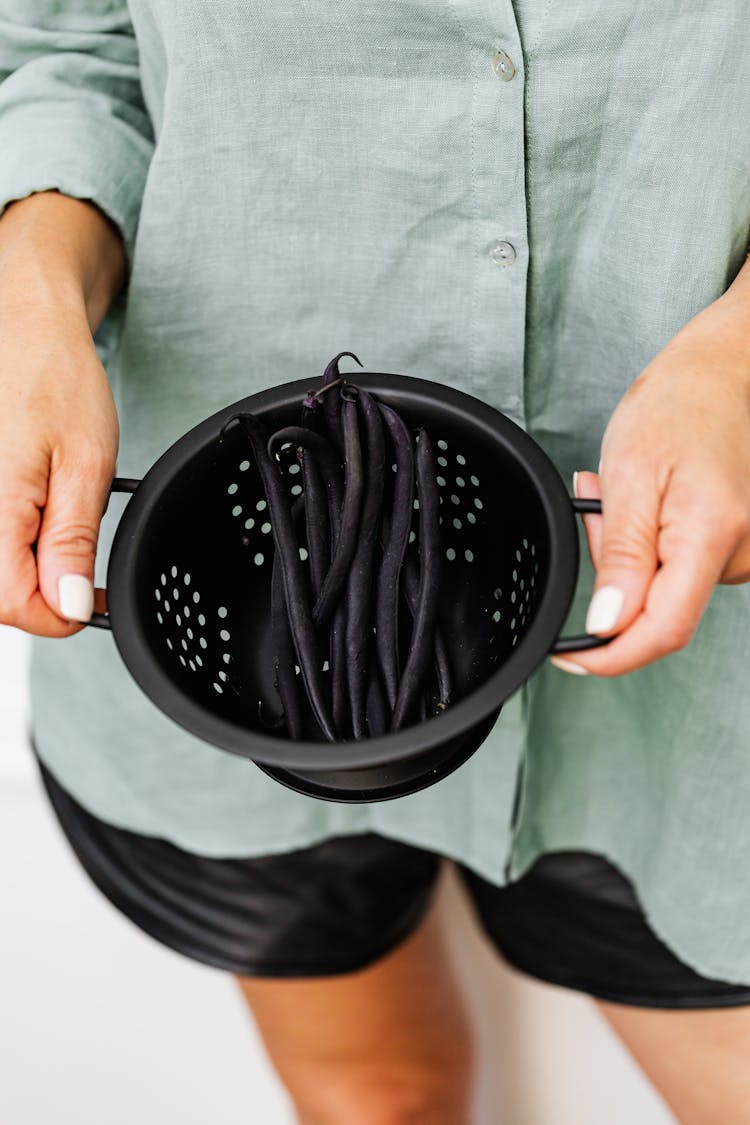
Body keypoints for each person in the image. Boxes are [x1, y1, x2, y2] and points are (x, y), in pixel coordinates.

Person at [1, 3, 749, 1122]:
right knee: (376, 1093)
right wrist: (30, 287)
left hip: (682, 698)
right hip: (215, 603)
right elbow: (73, 40)